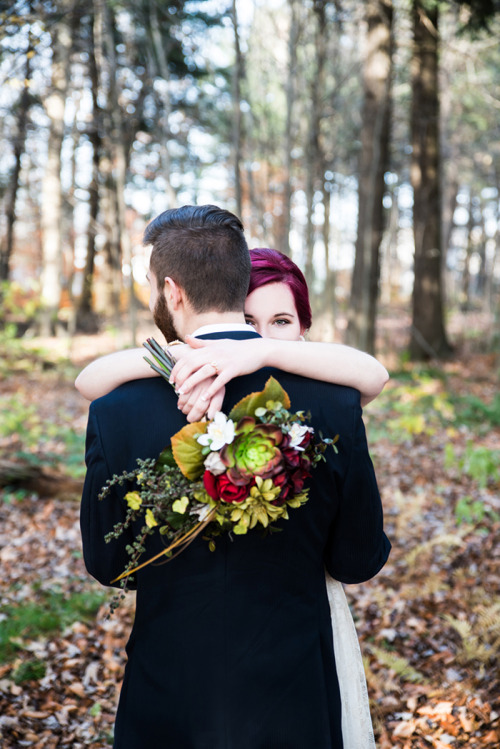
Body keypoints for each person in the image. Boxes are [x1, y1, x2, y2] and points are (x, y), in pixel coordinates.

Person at [80, 204, 391, 749]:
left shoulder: (115, 412)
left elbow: (109, 565)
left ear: (172, 291)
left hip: (168, 699)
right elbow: (356, 559)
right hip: (294, 698)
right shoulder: (336, 403)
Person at [75, 248, 389, 413]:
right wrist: (180, 353)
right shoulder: (200, 363)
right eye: (248, 322)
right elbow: (87, 383)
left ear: (303, 326)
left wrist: (264, 350)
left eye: (281, 321)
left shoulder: (322, 383)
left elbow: (376, 376)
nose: (261, 335)